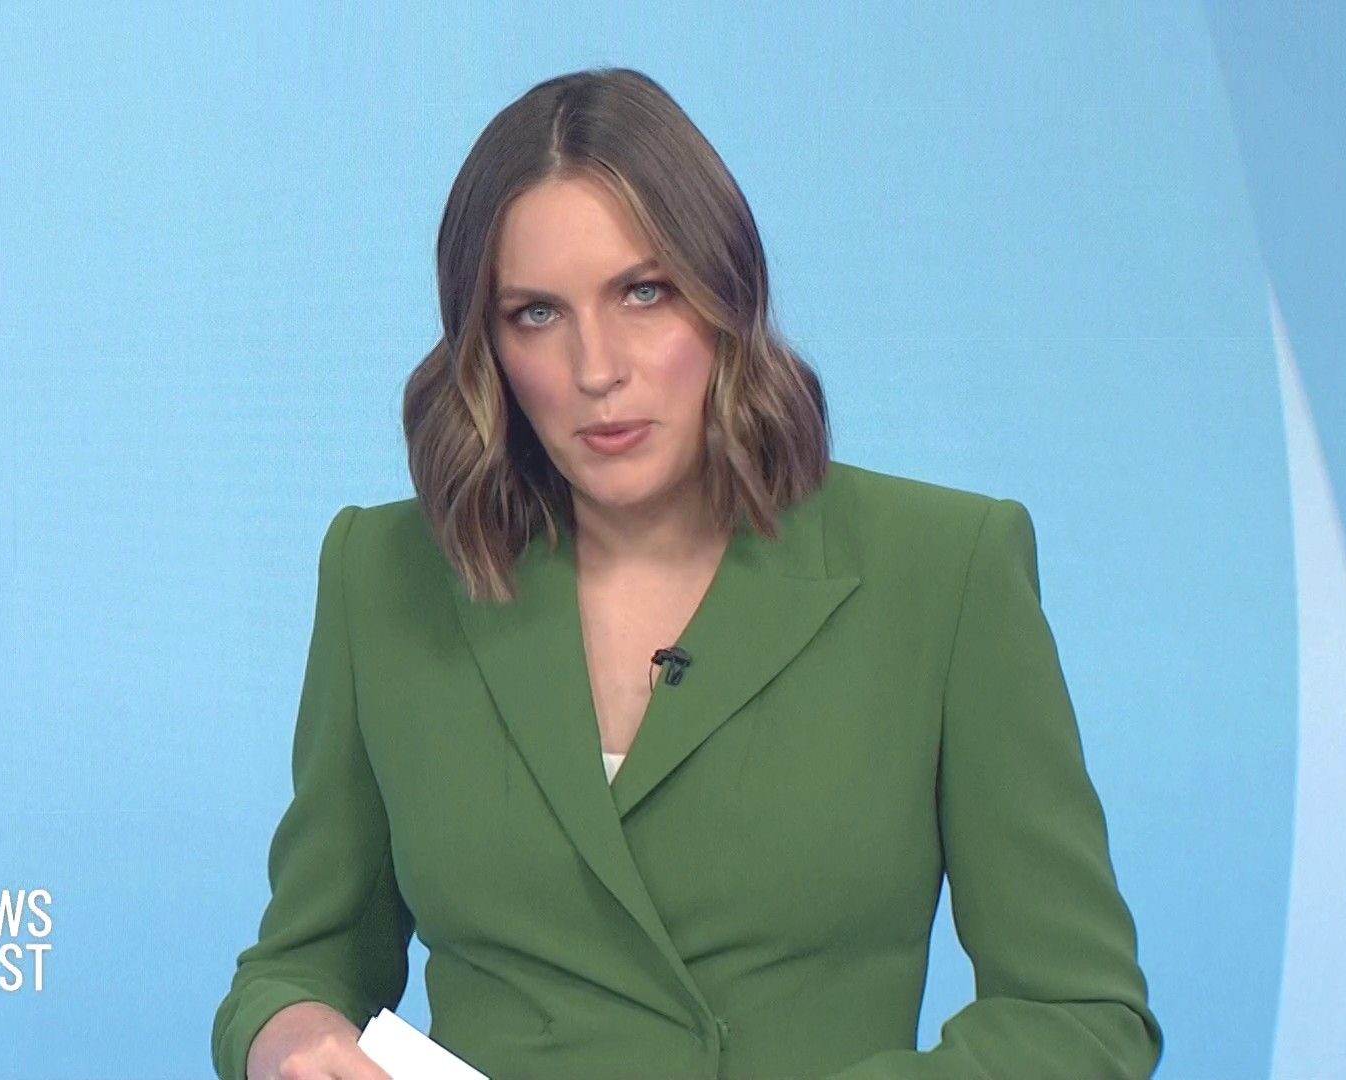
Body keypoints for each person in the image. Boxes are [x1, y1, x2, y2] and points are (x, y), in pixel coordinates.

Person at [211, 67, 1163, 1080]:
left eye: (643, 292)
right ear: (484, 343)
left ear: (725, 295)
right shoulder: (384, 575)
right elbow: (303, 961)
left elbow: (1079, 1018)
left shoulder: (945, 570)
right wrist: (292, 1039)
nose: (597, 369)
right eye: (536, 314)